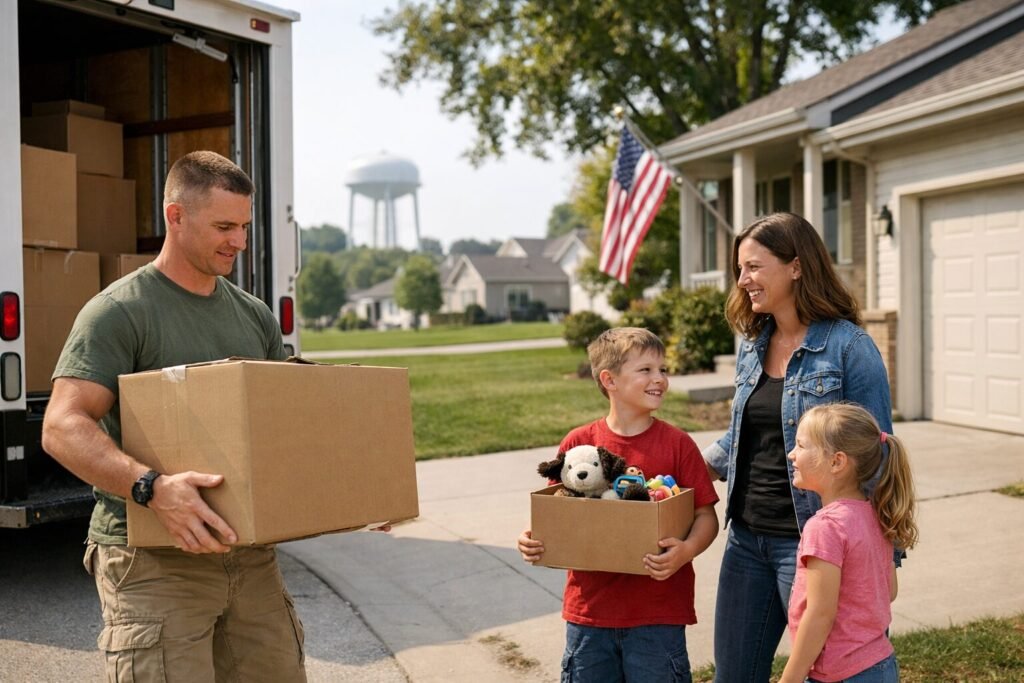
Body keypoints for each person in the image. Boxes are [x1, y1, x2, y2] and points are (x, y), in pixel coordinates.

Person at [42, 151, 306, 681]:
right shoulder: (119, 312)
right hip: (153, 560)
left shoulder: (253, 315)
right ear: (175, 217)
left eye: (246, 226)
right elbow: (62, 427)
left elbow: (286, 419)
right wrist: (151, 487)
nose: (240, 242)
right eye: (224, 226)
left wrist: (343, 485)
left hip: (248, 558)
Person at [704, 212, 894, 682]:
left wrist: (885, 556)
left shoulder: (850, 348)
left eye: (753, 266)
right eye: (740, 269)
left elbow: (878, 455)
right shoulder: (753, 344)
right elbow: (743, 435)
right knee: (734, 675)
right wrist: (682, 467)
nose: (742, 279)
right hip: (746, 540)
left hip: (812, 543)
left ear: (795, 266)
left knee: (823, 670)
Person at [517, 327, 719, 682]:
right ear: (609, 380)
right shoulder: (580, 443)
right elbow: (557, 512)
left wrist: (685, 550)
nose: (660, 379)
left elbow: (705, 515)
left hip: (658, 615)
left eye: (663, 370)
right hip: (589, 615)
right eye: (646, 370)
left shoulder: (677, 444)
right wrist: (533, 541)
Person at [781, 403, 918, 683]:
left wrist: (789, 679)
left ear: (836, 462)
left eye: (801, 445)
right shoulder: (875, 514)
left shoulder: (825, 527)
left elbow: (819, 615)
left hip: (841, 674)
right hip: (880, 665)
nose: (791, 454)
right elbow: (888, 590)